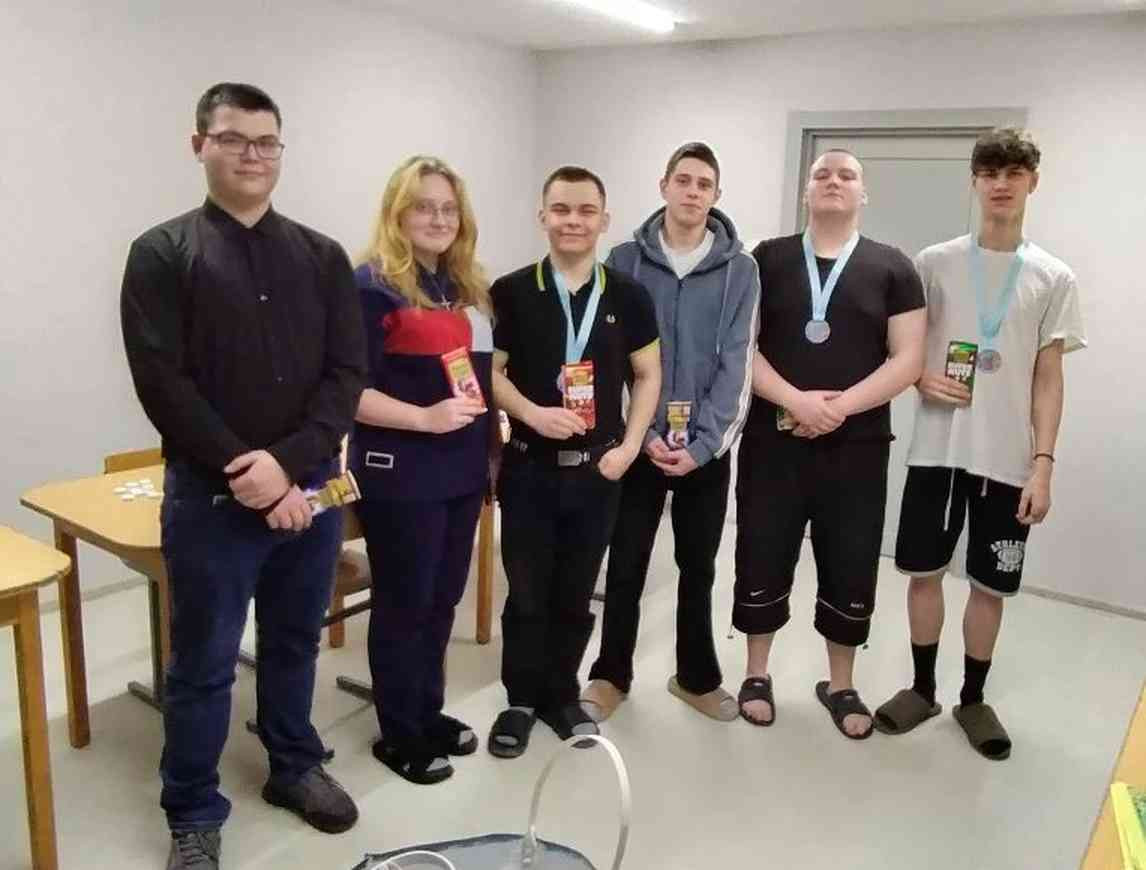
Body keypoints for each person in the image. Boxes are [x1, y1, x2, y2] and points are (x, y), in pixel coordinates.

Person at [121, 83, 364, 869]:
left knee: (295, 641)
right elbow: (162, 383)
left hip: (309, 495)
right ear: (200, 145)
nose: (252, 155)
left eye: (266, 141)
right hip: (210, 500)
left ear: (280, 150)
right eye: (233, 139)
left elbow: (345, 374)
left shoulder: (322, 257)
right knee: (203, 664)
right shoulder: (162, 253)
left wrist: (286, 468)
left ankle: (293, 766)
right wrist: (246, 469)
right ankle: (193, 811)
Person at [873, 128, 1086, 760]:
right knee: (923, 575)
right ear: (974, 181)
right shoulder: (933, 262)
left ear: (1032, 182)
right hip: (936, 450)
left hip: (1007, 460)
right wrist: (918, 377)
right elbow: (901, 348)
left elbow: (1048, 378)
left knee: (990, 586)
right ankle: (921, 689)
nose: (1001, 183)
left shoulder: (1053, 277)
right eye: (990, 172)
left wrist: (1043, 465)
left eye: (1014, 172)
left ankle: (972, 698)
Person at [733, 149, 926, 740]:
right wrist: (796, 401)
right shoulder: (765, 260)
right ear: (806, 191)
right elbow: (742, 346)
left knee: (850, 559)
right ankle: (756, 674)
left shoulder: (894, 267)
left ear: (864, 193)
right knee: (762, 551)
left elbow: (908, 359)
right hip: (774, 441)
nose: (833, 182)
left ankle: (841, 684)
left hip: (857, 447)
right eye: (822, 174)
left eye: (847, 175)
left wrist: (837, 407)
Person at [581, 142, 759, 723]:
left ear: (716, 195)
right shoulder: (623, 261)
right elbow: (611, 356)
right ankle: (610, 674)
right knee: (626, 562)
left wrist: (704, 445)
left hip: (704, 451)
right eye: (683, 180)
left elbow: (739, 361)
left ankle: (696, 677)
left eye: (704, 184)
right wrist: (642, 433)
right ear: (664, 186)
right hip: (637, 444)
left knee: (698, 567)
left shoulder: (741, 270)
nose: (692, 191)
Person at [486, 166, 661, 758]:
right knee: (527, 591)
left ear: (604, 221)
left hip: (597, 471)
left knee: (576, 590)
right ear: (543, 217)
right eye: (561, 209)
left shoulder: (629, 295)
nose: (573, 221)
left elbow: (648, 375)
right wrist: (532, 414)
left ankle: (561, 694)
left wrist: (630, 448)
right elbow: (492, 373)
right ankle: (519, 700)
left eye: (586, 211)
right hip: (530, 467)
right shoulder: (511, 291)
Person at [350, 156, 495, 784]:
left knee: (441, 601)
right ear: (397, 212)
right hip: (401, 472)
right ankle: (398, 733)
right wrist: (422, 418)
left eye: (448, 208)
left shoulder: (460, 285)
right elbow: (345, 391)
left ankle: (426, 712)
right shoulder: (371, 285)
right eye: (423, 206)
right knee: (404, 603)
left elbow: (477, 381)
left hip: (459, 471)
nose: (438, 218)